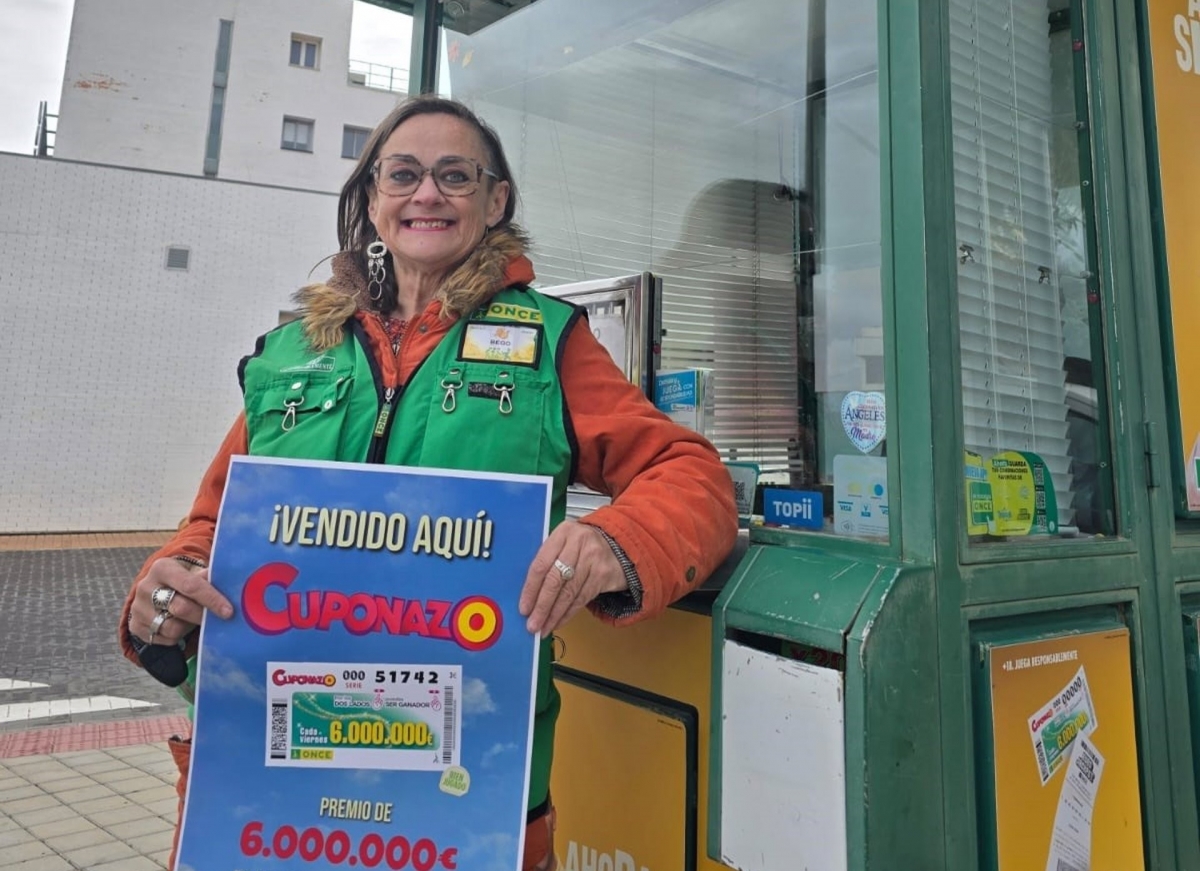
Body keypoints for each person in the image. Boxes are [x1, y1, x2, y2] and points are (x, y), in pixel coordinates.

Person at [119, 95, 738, 871]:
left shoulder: (548, 345)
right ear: (373, 198)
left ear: (495, 201)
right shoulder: (289, 354)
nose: (427, 194)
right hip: (263, 793)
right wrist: (162, 586)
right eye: (404, 173)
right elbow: (211, 524)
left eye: (455, 175)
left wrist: (616, 539)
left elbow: (692, 475)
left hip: (465, 807)